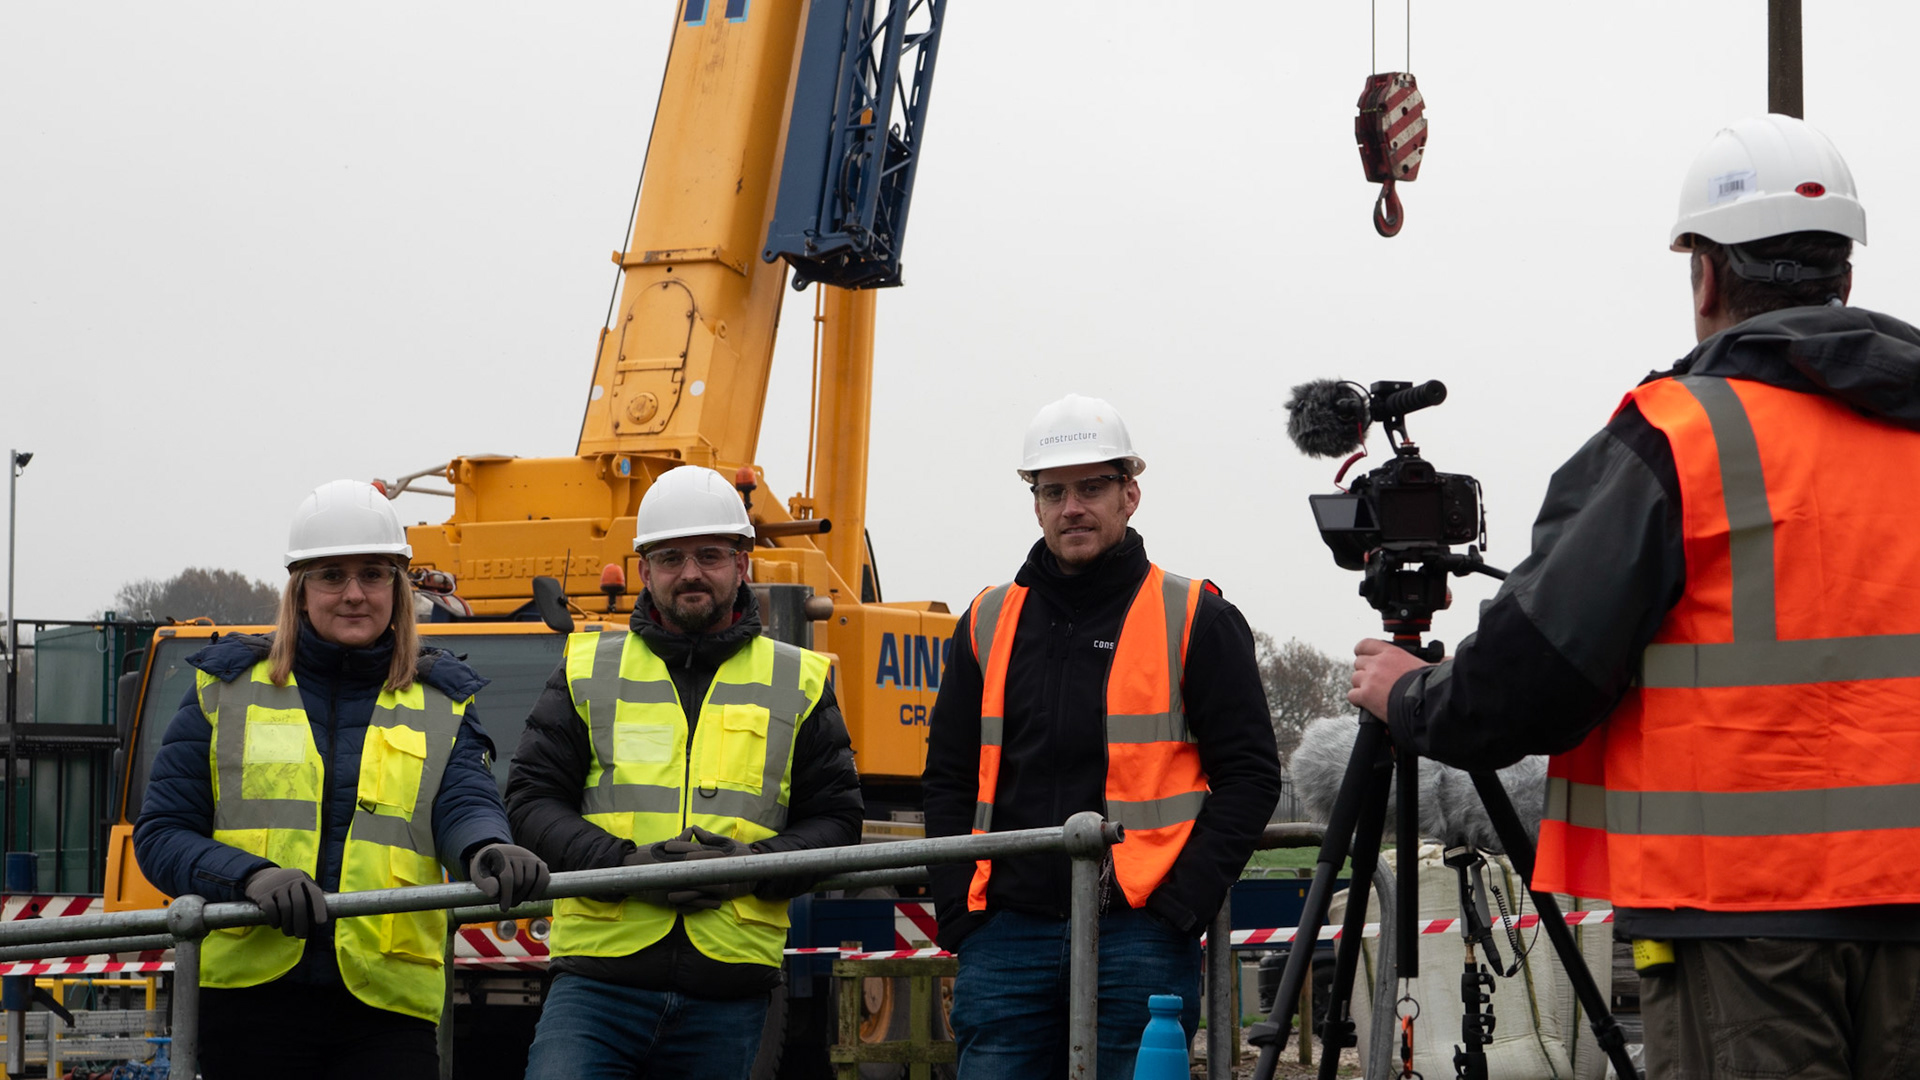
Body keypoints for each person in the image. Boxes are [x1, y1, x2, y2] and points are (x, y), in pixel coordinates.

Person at [1349, 114, 1920, 1077]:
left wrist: (1410, 696)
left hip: (1741, 932)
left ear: (1705, 274)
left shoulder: (1685, 435)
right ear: (1847, 278)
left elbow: (1535, 674)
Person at [133, 479, 548, 1080]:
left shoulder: (444, 699)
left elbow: (463, 803)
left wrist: (488, 848)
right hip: (252, 1002)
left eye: (374, 574)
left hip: (387, 1006)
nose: (354, 593)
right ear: (300, 591)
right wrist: (251, 877)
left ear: (398, 589)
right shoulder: (222, 689)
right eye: (332, 575)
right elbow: (162, 833)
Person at [923, 393, 1283, 1078]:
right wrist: (960, 912)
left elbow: (1250, 777)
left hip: (1139, 932)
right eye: (1053, 491)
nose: (1072, 508)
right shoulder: (987, 619)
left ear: (1130, 495)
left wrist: (1179, 908)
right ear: (1035, 504)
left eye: (1092, 488)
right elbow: (947, 777)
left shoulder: (1195, 615)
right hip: (1006, 935)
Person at [507, 464, 862, 1080]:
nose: (691, 572)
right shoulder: (588, 666)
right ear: (644, 570)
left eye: (709, 555)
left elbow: (836, 822)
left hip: (728, 991)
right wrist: (621, 868)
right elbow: (531, 800)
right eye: (670, 558)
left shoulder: (799, 679)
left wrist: (748, 870)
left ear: (742, 564)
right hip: (596, 984)